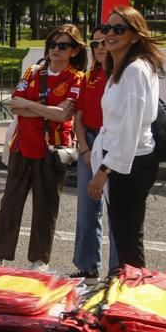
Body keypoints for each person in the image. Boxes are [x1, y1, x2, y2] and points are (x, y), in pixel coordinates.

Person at [0, 24, 84, 271]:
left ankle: (39, 259)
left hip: (52, 151)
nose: (56, 50)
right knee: (10, 202)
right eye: (52, 44)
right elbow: (15, 106)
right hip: (21, 145)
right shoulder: (32, 72)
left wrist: (32, 106)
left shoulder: (76, 78)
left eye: (63, 46)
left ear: (74, 50)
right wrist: (45, 109)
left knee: (45, 206)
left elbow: (63, 115)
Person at [88, 6, 166, 270]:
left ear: (134, 36)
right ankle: (127, 294)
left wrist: (104, 170)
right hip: (124, 161)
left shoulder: (134, 71)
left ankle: (134, 299)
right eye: (107, 27)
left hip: (129, 164)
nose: (109, 34)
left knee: (129, 241)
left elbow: (129, 130)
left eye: (119, 29)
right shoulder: (122, 68)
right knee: (125, 239)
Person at [72, 28, 117, 278]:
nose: (100, 46)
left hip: (112, 142)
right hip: (89, 141)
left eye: (105, 42)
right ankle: (87, 265)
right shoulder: (88, 77)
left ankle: (118, 271)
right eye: (95, 42)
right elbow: (78, 118)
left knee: (116, 209)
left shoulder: (120, 76)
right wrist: (85, 149)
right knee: (87, 208)